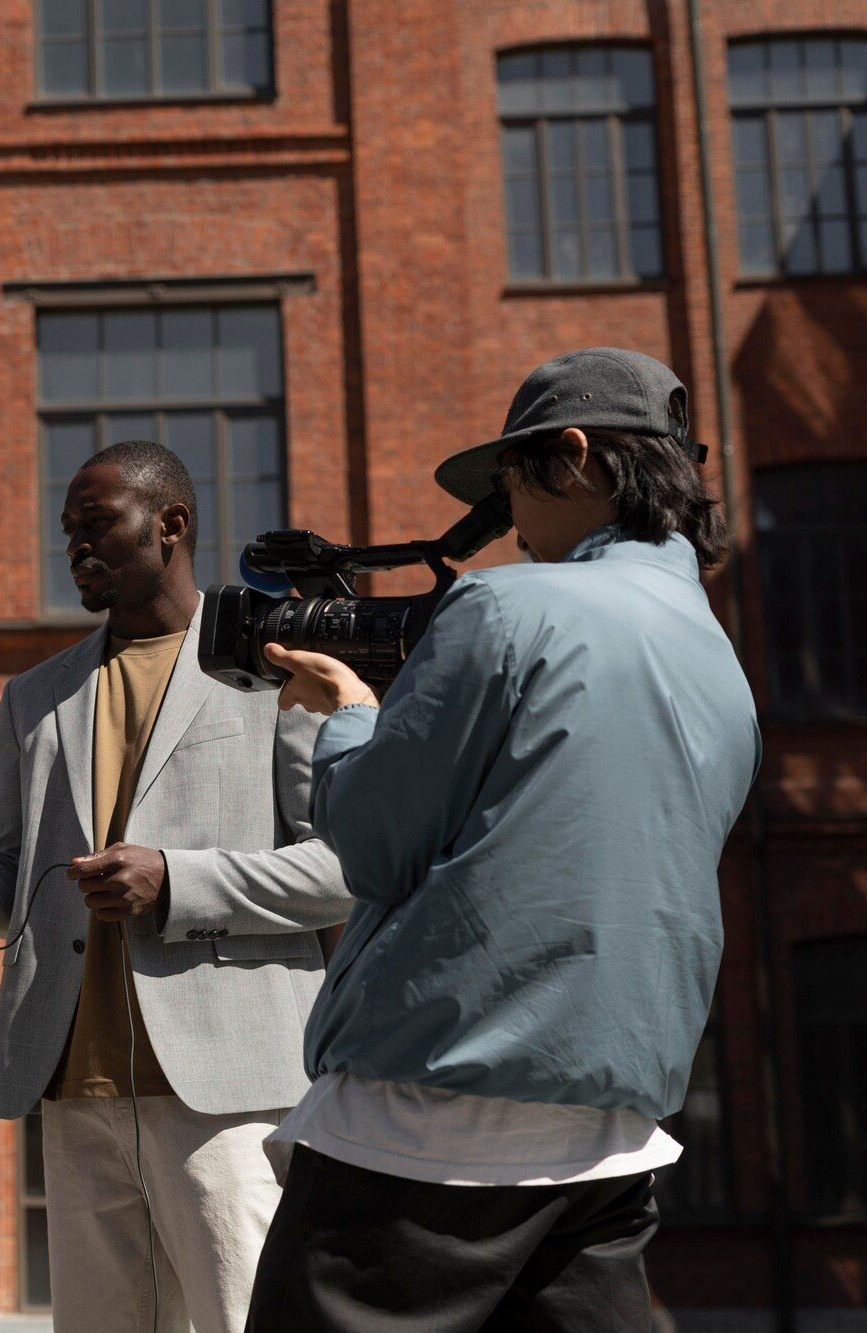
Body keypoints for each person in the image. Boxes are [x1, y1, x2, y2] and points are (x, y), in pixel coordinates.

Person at [247, 349, 761, 1331]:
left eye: (511, 484)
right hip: (611, 1127)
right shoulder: (719, 661)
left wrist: (347, 713)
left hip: (431, 1117)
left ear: (569, 457)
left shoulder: (501, 606)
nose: (514, 526)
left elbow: (369, 847)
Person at [0, 441, 351, 1333]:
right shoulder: (35, 696)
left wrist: (177, 882)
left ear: (171, 525)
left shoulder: (279, 664)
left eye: (96, 525)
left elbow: (344, 870)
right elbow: (13, 888)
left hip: (231, 1085)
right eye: (66, 532)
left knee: (248, 1318)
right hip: (74, 1080)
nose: (76, 547)